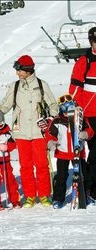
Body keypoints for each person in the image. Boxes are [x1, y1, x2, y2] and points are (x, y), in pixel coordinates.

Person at [0, 55, 58, 208]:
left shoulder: (42, 85)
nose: (17, 73)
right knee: (25, 166)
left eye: (19, 70)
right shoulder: (15, 86)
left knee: (42, 165)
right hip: (21, 133)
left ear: (27, 70)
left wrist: (50, 118)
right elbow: (4, 106)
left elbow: (53, 105)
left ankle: (44, 194)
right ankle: (30, 195)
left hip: (39, 133)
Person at [43, 94, 94, 208]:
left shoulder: (80, 119)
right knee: (61, 176)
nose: (68, 115)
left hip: (78, 153)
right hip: (62, 154)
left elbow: (89, 130)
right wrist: (51, 142)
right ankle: (58, 198)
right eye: (65, 113)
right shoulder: (57, 121)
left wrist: (85, 134)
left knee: (83, 175)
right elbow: (50, 134)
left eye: (70, 112)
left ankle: (84, 195)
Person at [69, 27, 96, 199]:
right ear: (91, 42)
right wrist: (73, 108)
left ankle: (91, 187)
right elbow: (74, 88)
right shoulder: (84, 61)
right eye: (95, 41)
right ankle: (89, 186)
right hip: (89, 114)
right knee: (91, 154)